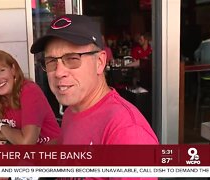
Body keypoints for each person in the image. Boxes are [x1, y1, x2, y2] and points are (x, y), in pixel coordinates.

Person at [31, 14, 158, 145]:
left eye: (72, 58)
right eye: (51, 61)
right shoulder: (72, 111)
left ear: (100, 62)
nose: (58, 72)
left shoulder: (126, 132)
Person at [0, 49, 60, 144]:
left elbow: (26, 143)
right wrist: (14, 136)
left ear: (13, 70)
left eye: (2, 70)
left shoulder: (30, 91)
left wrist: (0, 126)